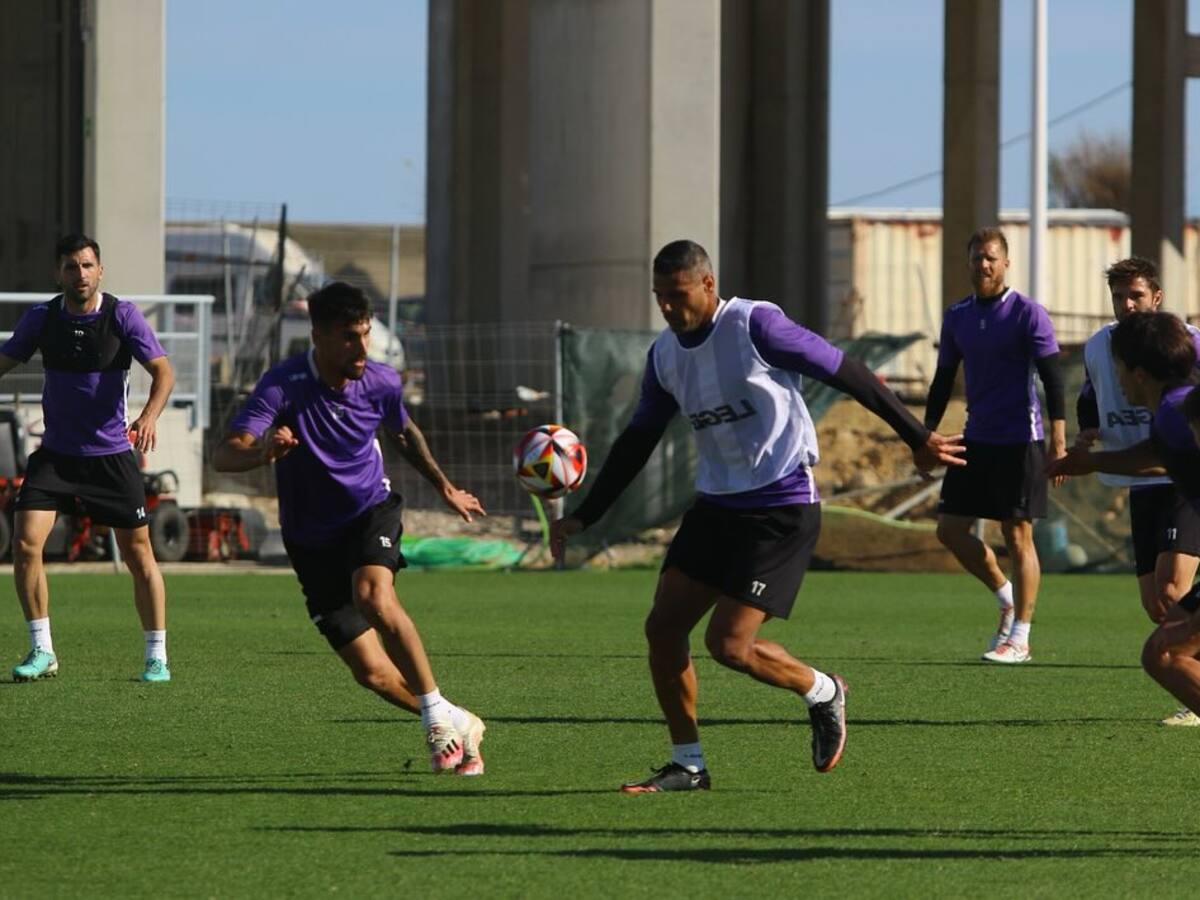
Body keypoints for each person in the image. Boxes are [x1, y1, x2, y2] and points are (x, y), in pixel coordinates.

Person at [550, 239, 965, 793]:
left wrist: (917, 436)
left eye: (678, 296)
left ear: (708, 285)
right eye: (660, 298)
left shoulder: (756, 327)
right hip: (717, 507)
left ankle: (822, 690)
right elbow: (637, 440)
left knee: (730, 646)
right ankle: (688, 765)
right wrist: (585, 515)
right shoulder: (665, 356)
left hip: (781, 506)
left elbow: (850, 372)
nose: (669, 309)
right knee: (663, 628)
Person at [213, 281, 487, 775]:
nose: (362, 348)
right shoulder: (283, 384)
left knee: (374, 597)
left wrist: (444, 486)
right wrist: (262, 453)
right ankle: (454, 717)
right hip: (310, 540)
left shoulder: (381, 381)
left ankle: (435, 719)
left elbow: (404, 432)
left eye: (365, 335)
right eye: (349, 337)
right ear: (317, 336)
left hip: (369, 511)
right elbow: (226, 451)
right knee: (373, 673)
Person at [2, 234, 176, 683]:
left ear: (100, 270)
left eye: (86, 266)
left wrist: (149, 416)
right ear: (57, 273)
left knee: (139, 556)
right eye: (70, 267)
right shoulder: (41, 318)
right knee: (24, 544)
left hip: (111, 458)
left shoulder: (122, 316)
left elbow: (163, 370)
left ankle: (156, 655)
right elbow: (5, 360)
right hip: (56, 457)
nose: (79, 274)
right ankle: (42, 649)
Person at [923, 226, 1067, 664]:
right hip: (976, 438)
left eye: (990, 257)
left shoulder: (1027, 313)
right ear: (967, 263)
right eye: (976, 257)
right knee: (949, 530)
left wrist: (1058, 442)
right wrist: (924, 434)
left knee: (1017, 534)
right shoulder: (957, 316)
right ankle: (1005, 596)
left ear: (1005, 263)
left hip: (1020, 439)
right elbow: (943, 379)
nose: (983, 265)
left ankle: (1020, 636)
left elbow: (1054, 379)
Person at [1049, 311, 1200, 723]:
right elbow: (1153, 454)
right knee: (1164, 651)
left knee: (1165, 653)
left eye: (1117, 367)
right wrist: (1092, 463)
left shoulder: (1177, 413)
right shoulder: (1172, 411)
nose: (1113, 378)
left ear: (1136, 373)